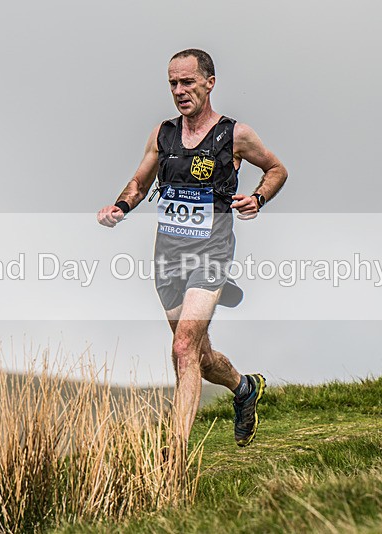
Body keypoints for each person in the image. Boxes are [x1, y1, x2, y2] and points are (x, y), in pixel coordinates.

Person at [96, 49, 287, 448]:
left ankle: (175, 452)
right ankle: (244, 388)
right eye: (173, 84)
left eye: (187, 82)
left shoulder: (235, 135)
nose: (180, 91)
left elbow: (276, 169)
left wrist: (258, 198)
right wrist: (120, 206)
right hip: (168, 258)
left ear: (209, 83)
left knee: (182, 345)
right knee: (196, 356)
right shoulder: (162, 134)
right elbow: (139, 183)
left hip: (212, 254)